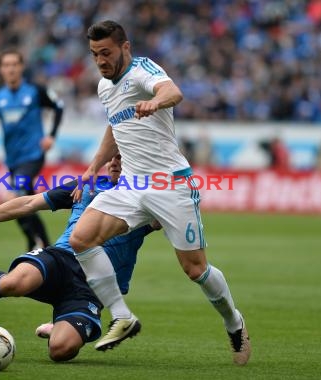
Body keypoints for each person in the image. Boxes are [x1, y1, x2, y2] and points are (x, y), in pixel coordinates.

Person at [67, 20, 251, 365]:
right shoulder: (105, 88)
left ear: (125, 47)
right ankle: (122, 316)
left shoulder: (141, 70)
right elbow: (115, 125)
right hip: (132, 186)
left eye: (106, 53)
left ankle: (234, 322)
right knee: (81, 238)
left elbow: (172, 91)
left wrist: (156, 102)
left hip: (170, 185)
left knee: (195, 270)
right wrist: (94, 167)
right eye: (94, 55)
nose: (100, 61)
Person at [0, 155, 157, 362]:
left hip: (90, 289)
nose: (115, 161)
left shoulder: (146, 202)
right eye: (112, 157)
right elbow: (29, 202)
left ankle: (59, 326)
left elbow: (175, 219)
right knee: (12, 283)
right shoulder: (87, 186)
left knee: (60, 350)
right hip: (61, 260)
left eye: (121, 157)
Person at [0, 49, 64, 251]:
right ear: (1, 69)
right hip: (13, 159)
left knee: (13, 197)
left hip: (33, 155)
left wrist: (51, 135)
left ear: (21, 67)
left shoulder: (35, 91)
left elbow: (59, 106)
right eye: (6, 65)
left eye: (14, 64)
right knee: (27, 204)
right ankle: (43, 244)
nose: (11, 69)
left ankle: (35, 242)